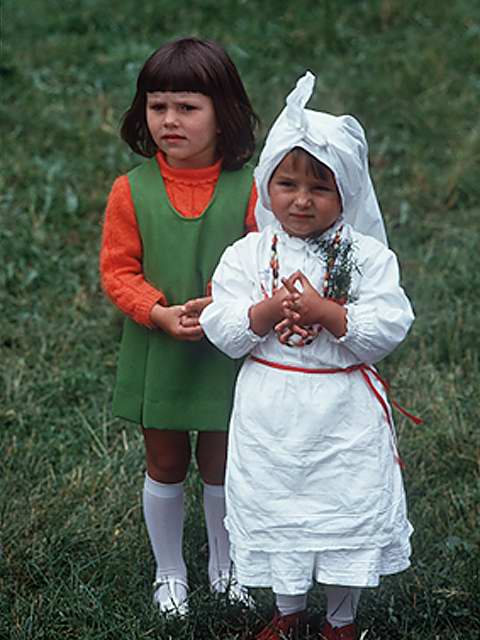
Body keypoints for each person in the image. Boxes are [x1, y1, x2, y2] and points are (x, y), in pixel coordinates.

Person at [200, 71, 420, 640]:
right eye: (287, 183)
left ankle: (341, 619)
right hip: (271, 410)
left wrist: (329, 314)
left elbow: (390, 321)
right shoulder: (249, 254)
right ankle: (288, 608)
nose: (301, 200)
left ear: (346, 192)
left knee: (341, 511)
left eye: (319, 188)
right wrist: (266, 311)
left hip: (340, 411)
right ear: (266, 185)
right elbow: (222, 323)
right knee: (280, 511)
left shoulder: (365, 256)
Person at [100, 37, 258, 616]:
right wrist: (157, 311)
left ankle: (226, 564)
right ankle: (170, 571)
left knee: (222, 461)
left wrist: (224, 306)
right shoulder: (131, 190)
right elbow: (118, 270)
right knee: (165, 462)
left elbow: (262, 261)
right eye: (157, 105)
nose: (169, 120)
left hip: (226, 348)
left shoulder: (252, 188)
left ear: (224, 114)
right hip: (159, 346)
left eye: (187, 107)